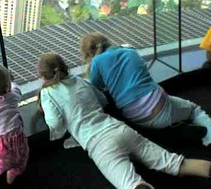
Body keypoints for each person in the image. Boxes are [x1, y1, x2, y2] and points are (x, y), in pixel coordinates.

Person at [37, 52, 211, 189]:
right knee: (175, 162)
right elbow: (103, 100)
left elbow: (55, 124)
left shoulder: (48, 94)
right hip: (120, 129)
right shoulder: (81, 81)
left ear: (42, 76)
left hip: (100, 146)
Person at [80, 32, 211, 147]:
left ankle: (169, 131)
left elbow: (96, 86)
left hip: (133, 116)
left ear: (88, 54)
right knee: (193, 109)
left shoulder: (96, 62)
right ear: (107, 41)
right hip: (158, 102)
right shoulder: (130, 51)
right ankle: (208, 137)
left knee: (141, 123)